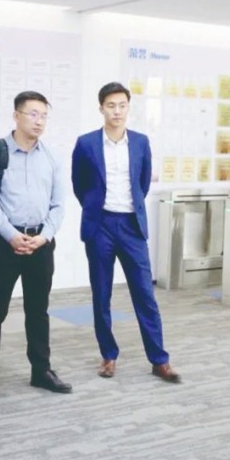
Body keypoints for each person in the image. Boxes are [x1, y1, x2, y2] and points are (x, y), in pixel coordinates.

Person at [71, 82, 181, 383]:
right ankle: (108, 355)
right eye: (111, 106)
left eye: (122, 105)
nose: (117, 111)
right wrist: (95, 209)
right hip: (100, 226)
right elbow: (79, 185)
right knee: (101, 294)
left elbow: (142, 184)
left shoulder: (141, 142)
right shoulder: (86, 144)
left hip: (132, 225)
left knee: (145, 294)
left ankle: (159, 360)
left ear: (128, 108)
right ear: (101, 108)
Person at [0, 91, 69, 402]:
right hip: (5, 244)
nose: (39, 121)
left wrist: (44, 236)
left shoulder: (51, 156)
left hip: (41, 243)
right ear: (16, 116)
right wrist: (11, 235)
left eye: (44, 115)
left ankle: (41, 370)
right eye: (32, 114)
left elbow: (58, 204)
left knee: (38, 311)